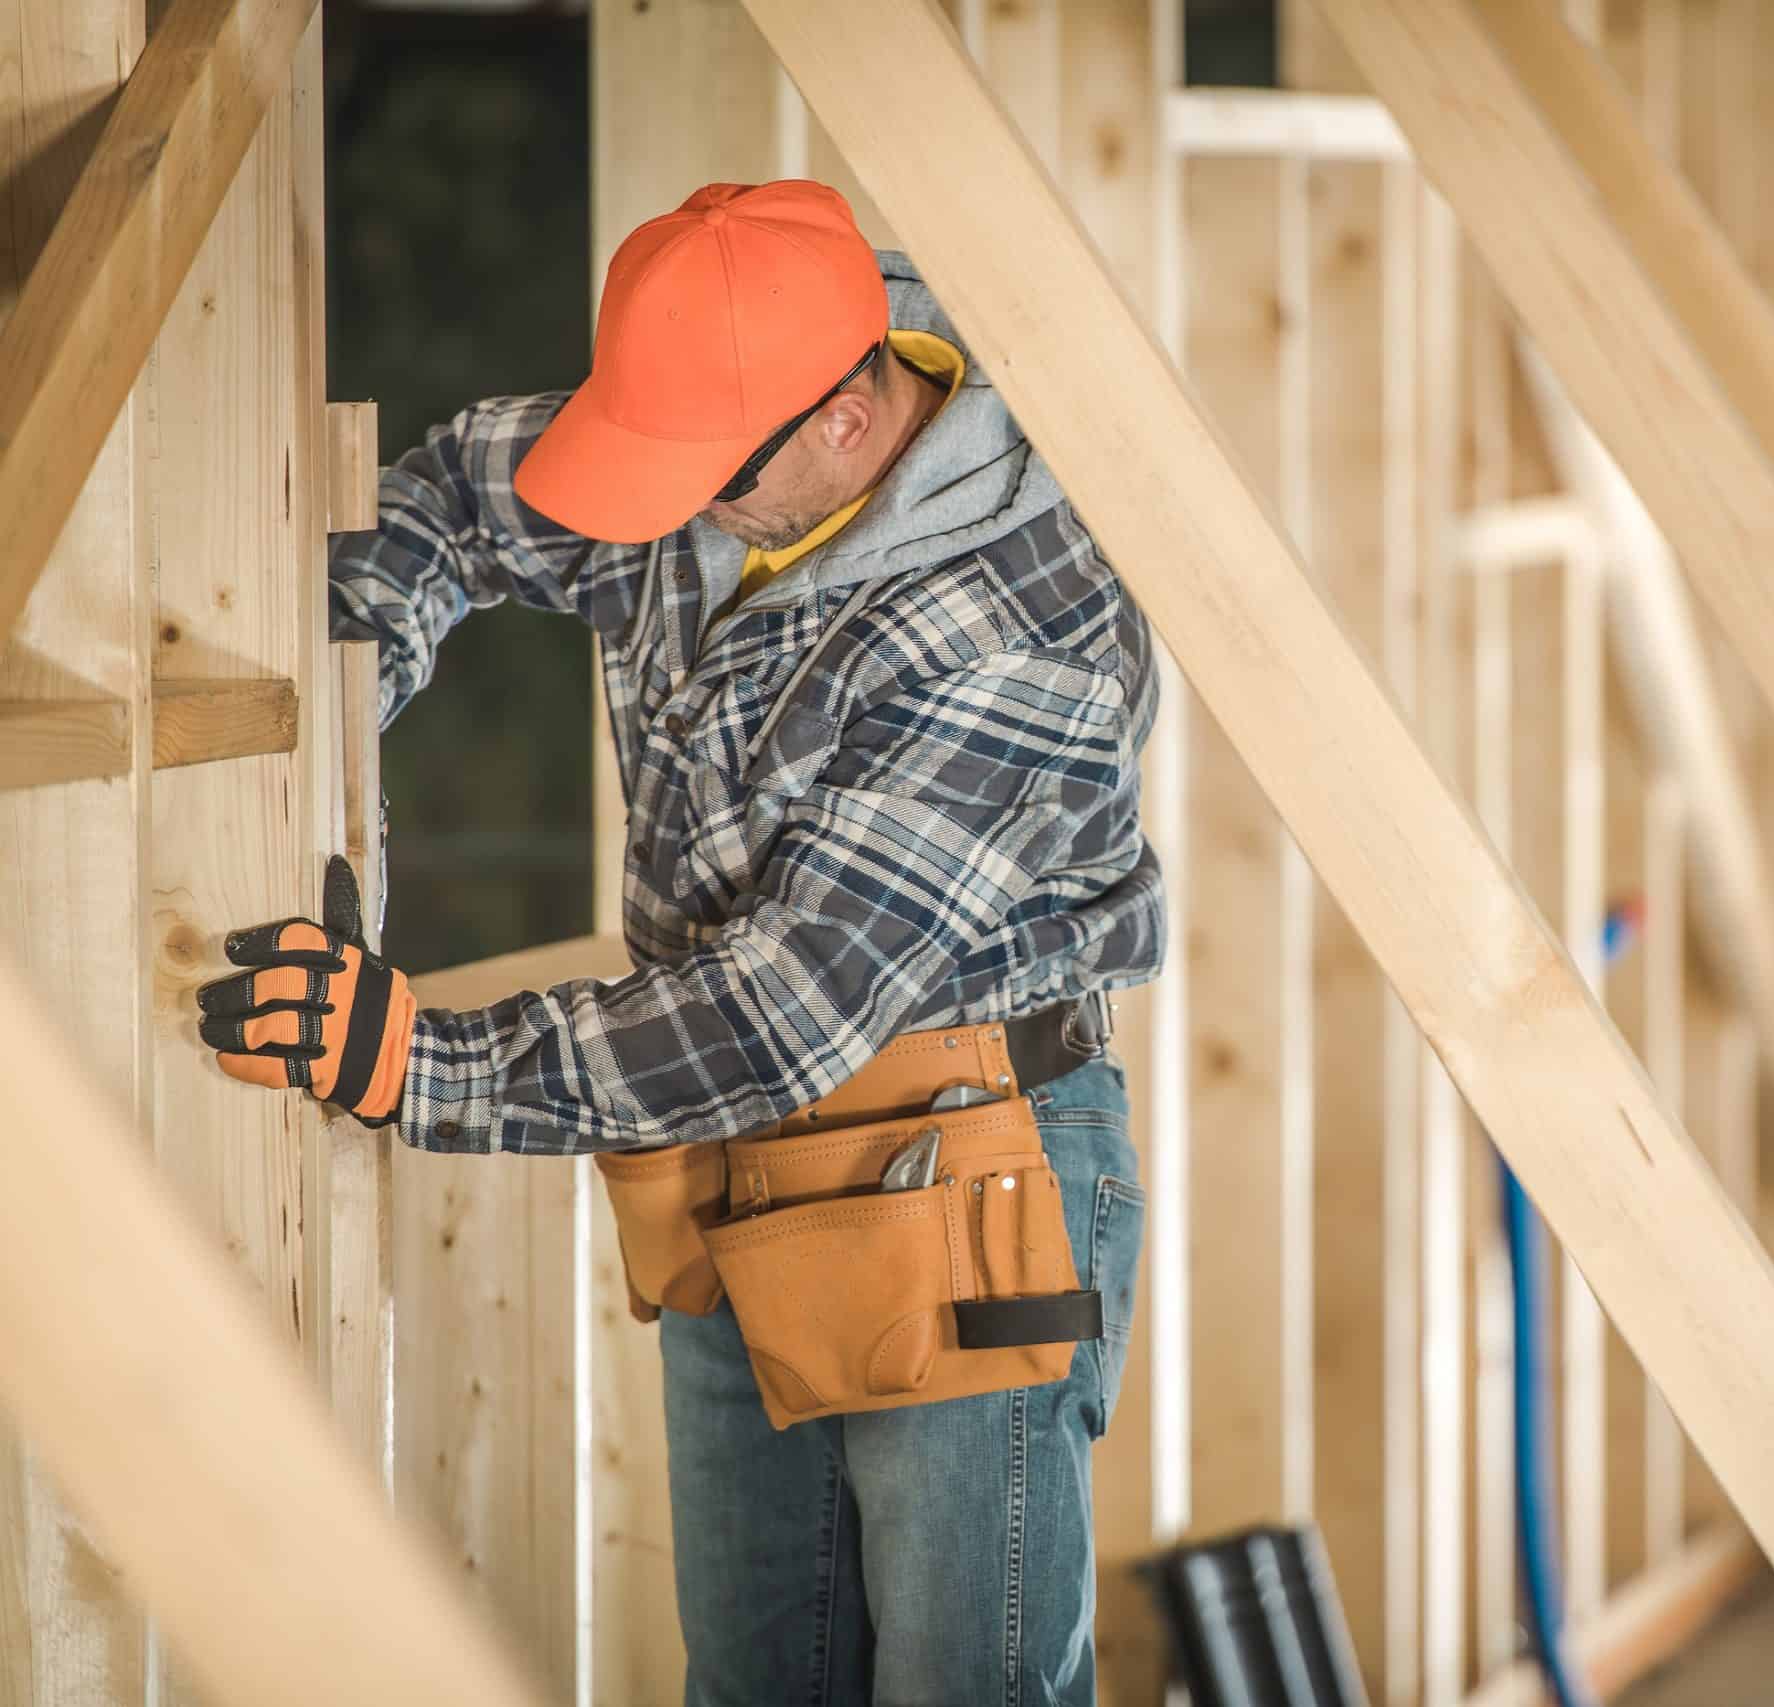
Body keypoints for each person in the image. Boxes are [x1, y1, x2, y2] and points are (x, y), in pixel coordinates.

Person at [188, 179, 1160, 1707]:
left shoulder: (1018, 626)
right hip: (725, 1156)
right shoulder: (735, 404)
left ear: (852, 415)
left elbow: (788, 1007)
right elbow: (452, 491)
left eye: (707, 478)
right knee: (756, 1682)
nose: (676, 509)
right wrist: (344, 702)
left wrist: (416, 1065)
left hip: (965, 1155)